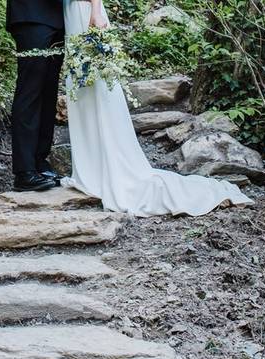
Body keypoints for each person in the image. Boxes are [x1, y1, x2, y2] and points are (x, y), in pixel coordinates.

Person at [61, 0, 253, 216]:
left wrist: (95, 11)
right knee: (85, 88)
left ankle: (107, 166)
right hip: (72, 12)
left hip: (86, 10)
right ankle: (92, 167)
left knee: (98, 87)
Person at [6, 0, 65, 192]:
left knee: (49, 91)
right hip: (30, 13)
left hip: (57, 16)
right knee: (30, 90)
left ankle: (40, 161)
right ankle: (25, 171)